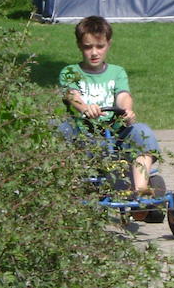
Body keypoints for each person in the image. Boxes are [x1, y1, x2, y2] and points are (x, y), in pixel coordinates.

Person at [58, 15, 161, 195]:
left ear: (108, 44)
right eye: (88, 47)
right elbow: (71, 95)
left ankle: (141, 190)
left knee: (142, 131)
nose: (94, 52)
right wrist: (85, 108)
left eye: (100, 46)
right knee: (59, 129)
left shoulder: (117, 72)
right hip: (84, 134)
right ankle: (67, 185)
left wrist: (126, 110)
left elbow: (123, 95)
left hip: (115, 134)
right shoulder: (70, 72)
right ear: (79, 45)